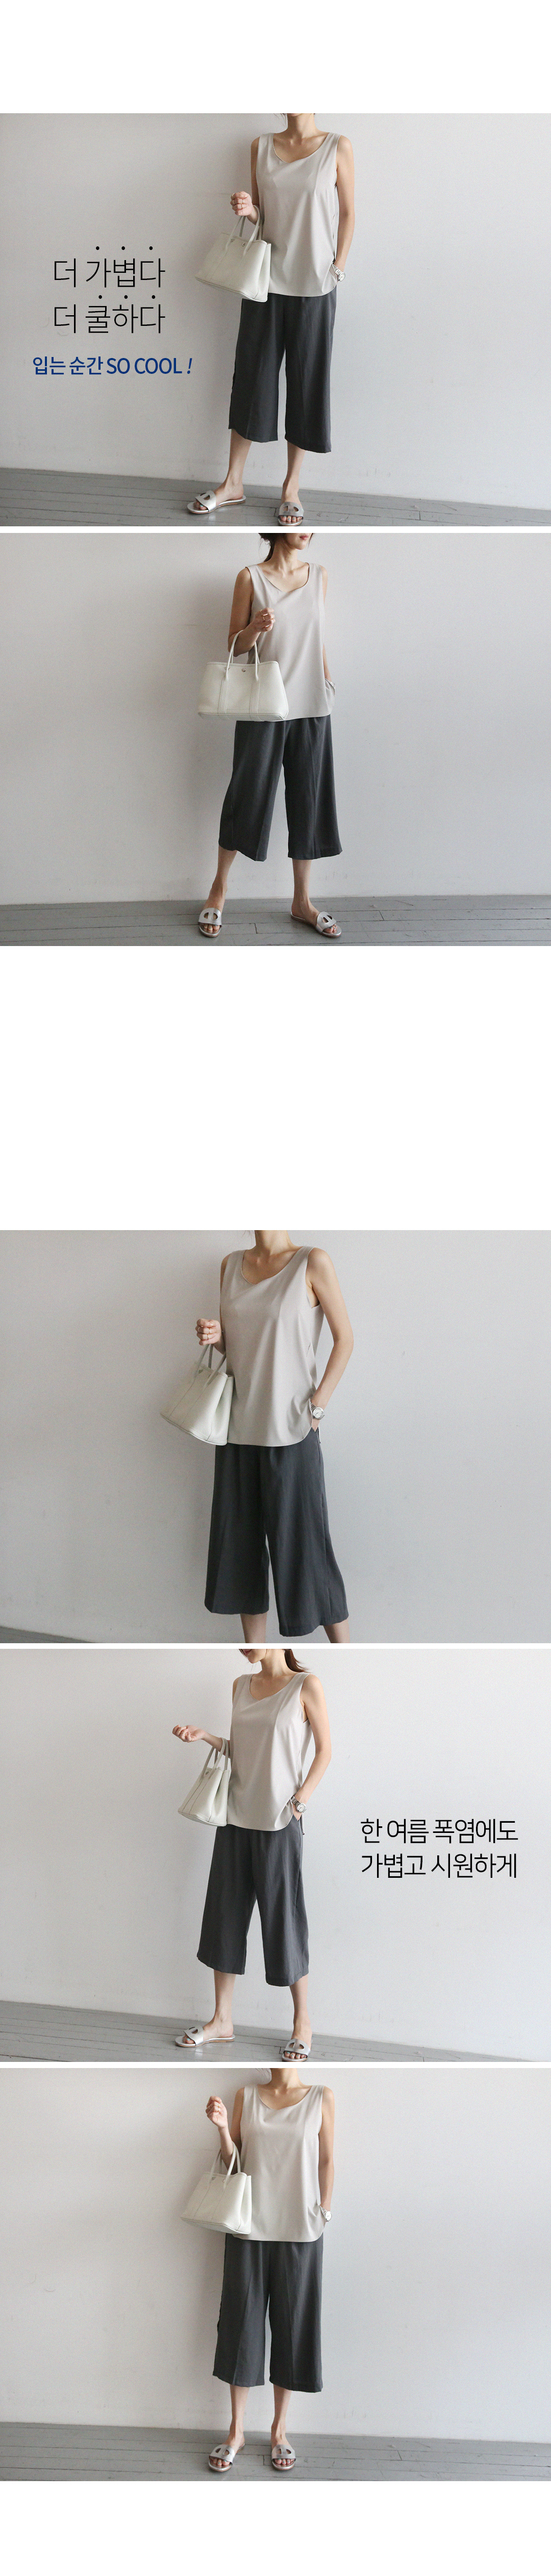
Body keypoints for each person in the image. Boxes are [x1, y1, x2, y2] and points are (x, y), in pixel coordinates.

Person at [188, 114, 355, 523]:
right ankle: (233, 483)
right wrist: (249, 211)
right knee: (252, 377)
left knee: (306, 383)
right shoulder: (260, 146)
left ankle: (291, 488)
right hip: (264, 281)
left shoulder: (338, 147)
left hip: (315, 286)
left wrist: (337, 268)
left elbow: (349, 213)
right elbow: (264, 216)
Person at [172, 1645, 331, 2057]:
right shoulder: (240, 1685)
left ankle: (302, 2023)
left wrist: (300, 1801)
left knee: (284, 1920)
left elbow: (325, 1751)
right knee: (224, 1916)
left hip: (279, 1821)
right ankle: (222, 2020)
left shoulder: (306, 1685)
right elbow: (244, 1751)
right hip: (235, 1816)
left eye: (251, 1641)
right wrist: (206, 1736)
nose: (244, 1646)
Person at [197, 1231, 353, 1640]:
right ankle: (258, 1658)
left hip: (292, 1432)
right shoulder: (230, 1265)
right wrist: (216, 1337)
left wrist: (318, 1406)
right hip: (236, 1431)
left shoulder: (312, 1261)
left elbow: (345, 1339)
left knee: (308, 1553)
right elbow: (240, 1348)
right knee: (240, 1555)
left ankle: (349, 1660)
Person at [198, 529, 341, 941]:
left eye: (310, 525)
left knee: (309, 802)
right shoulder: (250, 577)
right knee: (246, 796)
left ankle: (302, 901)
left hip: (312, 705)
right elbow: (235, 645)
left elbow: (318, 638)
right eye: (298, 523)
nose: (306, 530)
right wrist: (256, 628)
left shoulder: (321, 575)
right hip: (264, 705)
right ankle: (219, 889)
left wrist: (328, 684)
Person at [204, 2069, 335, 2473]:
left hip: (302, 2231)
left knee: (293, 2327)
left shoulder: (322, 2096)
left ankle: (279, 2430)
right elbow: (233, 2159)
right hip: (248, 2227)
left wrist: (325, 2211)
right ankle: (237, 2431)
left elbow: (327, 2158)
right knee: (241, 2327)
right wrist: (222, 2128)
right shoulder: (245, 2095)